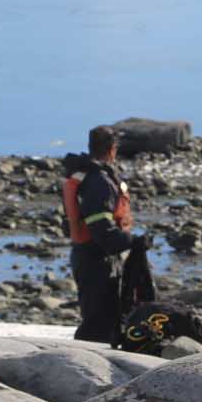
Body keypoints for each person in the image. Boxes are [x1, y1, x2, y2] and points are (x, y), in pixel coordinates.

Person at [62, 130, 137, 343]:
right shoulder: (99, 182)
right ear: (112, 150)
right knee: (99, 322)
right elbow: (101, 230)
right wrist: (131, 242)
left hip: (85, 254)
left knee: (97, 317)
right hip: (97, 259)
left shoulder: (83, 176)